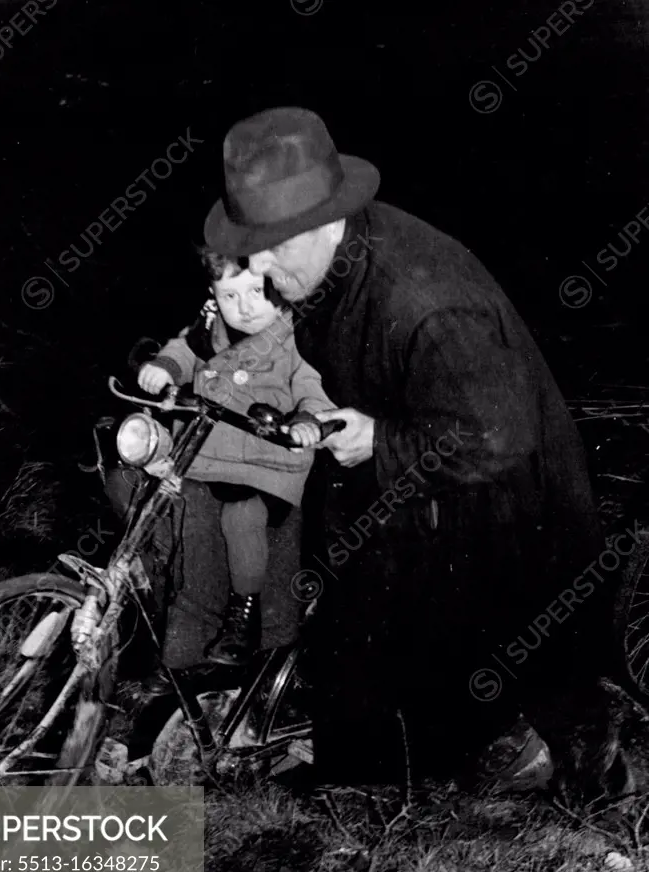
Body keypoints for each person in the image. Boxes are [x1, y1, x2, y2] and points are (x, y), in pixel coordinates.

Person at [200, 105, 634, 803]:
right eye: (252, 248)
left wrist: (381, 440)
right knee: (351, 624)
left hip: (506, 502)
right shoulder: (326, 267)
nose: (259, 268)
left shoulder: (423, 296)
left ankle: (543, 748)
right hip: (414, 480)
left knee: (460, 661)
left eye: (273, 247)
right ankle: (372, 764)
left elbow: (499, 438)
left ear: (321, 223)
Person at [136, 248, 334, 670]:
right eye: (229, 296)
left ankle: (245, 617)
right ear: (212, 293)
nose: (243, 308)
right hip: (205, 454)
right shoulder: (208, 325)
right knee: (157, 504)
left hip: (267, 464)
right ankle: (171, 643)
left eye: (255, 293)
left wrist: (306, 421)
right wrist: (165, 367)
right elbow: (184, 350)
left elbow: (314, 386)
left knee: (242, 517)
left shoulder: (296, 336)